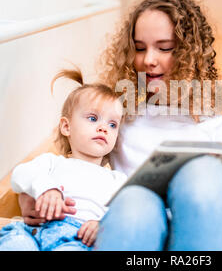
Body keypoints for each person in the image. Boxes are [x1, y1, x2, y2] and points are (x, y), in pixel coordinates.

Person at [18, 0, 222, 251]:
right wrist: (30, 197)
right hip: (145, 235)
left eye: (165, 48)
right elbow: (72, 168)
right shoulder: (121, 116)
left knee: (199, 174)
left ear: (189, 53)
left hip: (215, 230)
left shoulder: (218, 124)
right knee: (135, 198)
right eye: (139, 48)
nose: (148, 60)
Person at [0, 68, 127, 251]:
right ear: (66, 127)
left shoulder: (117, 179)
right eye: (93, 118)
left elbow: (126, 214)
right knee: (15, 244)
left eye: (112, 124)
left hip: (78, 240)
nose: (103, 128)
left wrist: (104, 225)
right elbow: (20, 175)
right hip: (32, 232)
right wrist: (46, 188)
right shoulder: (52, 162)